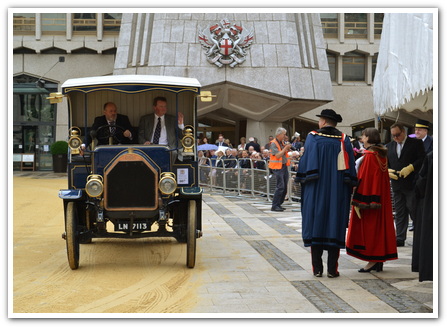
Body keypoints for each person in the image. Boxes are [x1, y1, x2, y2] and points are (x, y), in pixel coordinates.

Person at [295, 109, 357, 278]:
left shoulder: (313, 137)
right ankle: (332, 269)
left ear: (323, 121)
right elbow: (350, 168)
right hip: (337, 190)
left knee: (315, 222)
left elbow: (307, 162)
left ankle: (317, 269)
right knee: (334, 224)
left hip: (316, 188)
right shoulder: (344, 140)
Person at [346, 128, 398, 273]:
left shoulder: (370, 156)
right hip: (380, 198)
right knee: (379, 228)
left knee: (371, 229)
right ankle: (378, 259)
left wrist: (359, 200)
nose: (362, 138)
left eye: (363, 136)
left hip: (370, 199)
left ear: (369, 138)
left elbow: (365, 179)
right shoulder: (380, 154)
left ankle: (373, 260)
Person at [386, 122, 426, 247]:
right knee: (400, 212)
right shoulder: (389, 146)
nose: (395, 138)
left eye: (397, 135)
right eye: (393, 136)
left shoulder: (416, 143)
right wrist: (388, 170)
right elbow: (386, 162)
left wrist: (411, 167)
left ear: (403, 132)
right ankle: (400, 237)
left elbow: (422, 159)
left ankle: (420, 235)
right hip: (397, 184)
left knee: (414, 210)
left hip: (411, 183)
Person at [268, 127, 292, 212]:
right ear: (279, 134)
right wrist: (285, 148)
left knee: (284, 186)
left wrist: (287, 147)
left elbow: (283, 153)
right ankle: (275, 205)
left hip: (283, 166)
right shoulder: (274, 143)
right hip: (277, 167)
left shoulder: (281, 142)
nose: (285, 136)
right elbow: (278, 155)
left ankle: (279, 204)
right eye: (284, 134)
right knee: (280, 186)